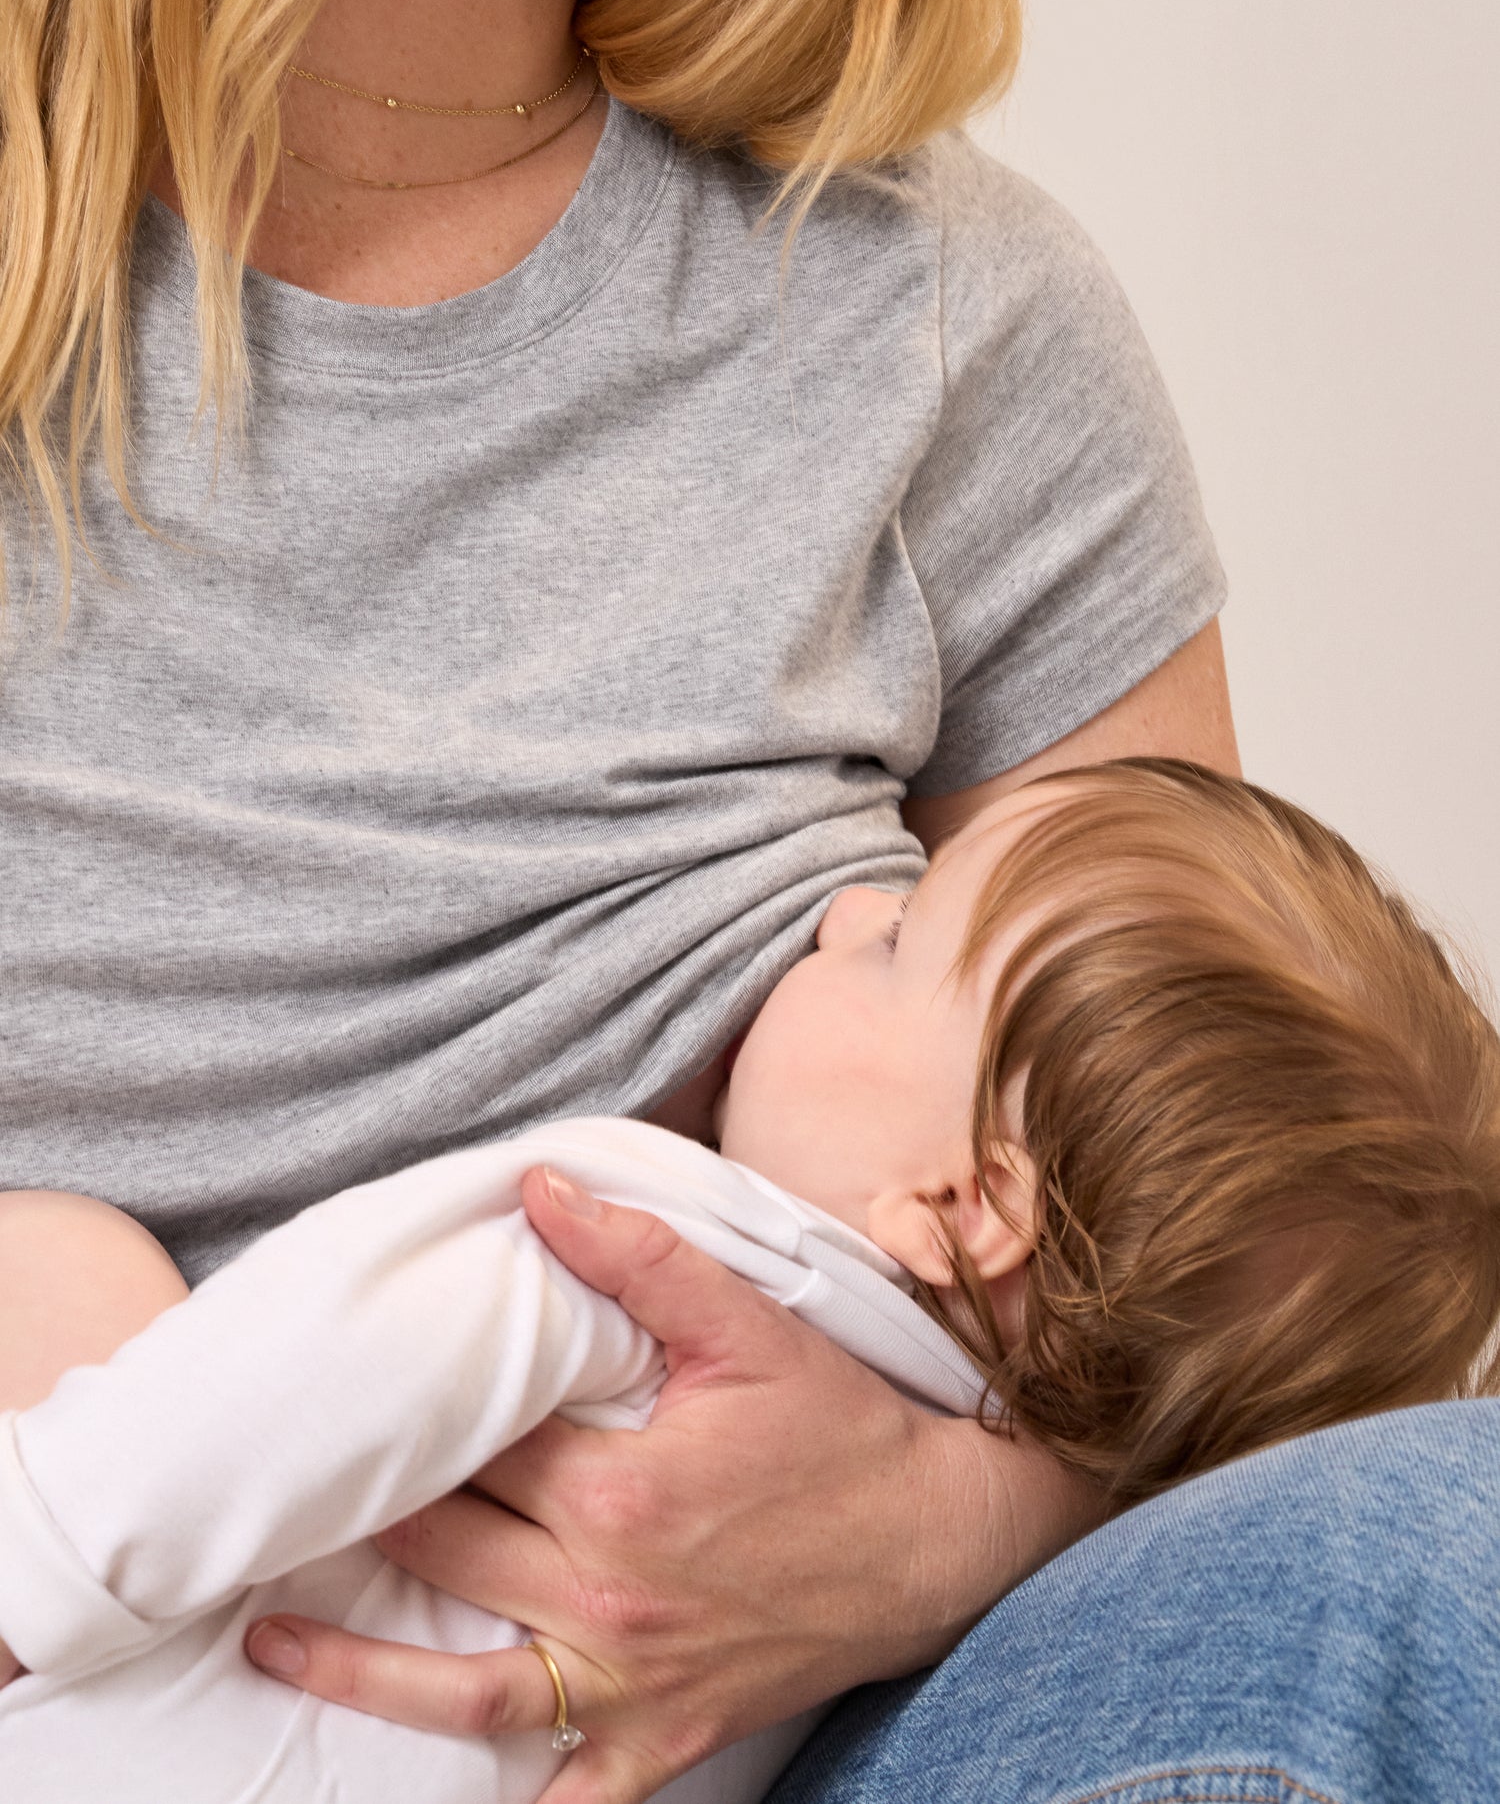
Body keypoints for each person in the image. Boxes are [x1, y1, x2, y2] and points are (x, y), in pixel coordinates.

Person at [0, 0, 1265, 1798]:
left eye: (904, 940)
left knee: (1424, 1527)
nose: (869, 917)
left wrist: (928, 1535)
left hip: (779, 1742)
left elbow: (1233, 1250)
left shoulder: (942, 295)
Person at [3, 761, 1496, 1803]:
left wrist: (39, 1565)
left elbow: (330, 1355)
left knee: (55, 1259)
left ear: (960, 1207)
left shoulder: (664, 1242)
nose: (846, 909)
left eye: (904, 943)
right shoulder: (991, 1505)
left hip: (123, 1748)